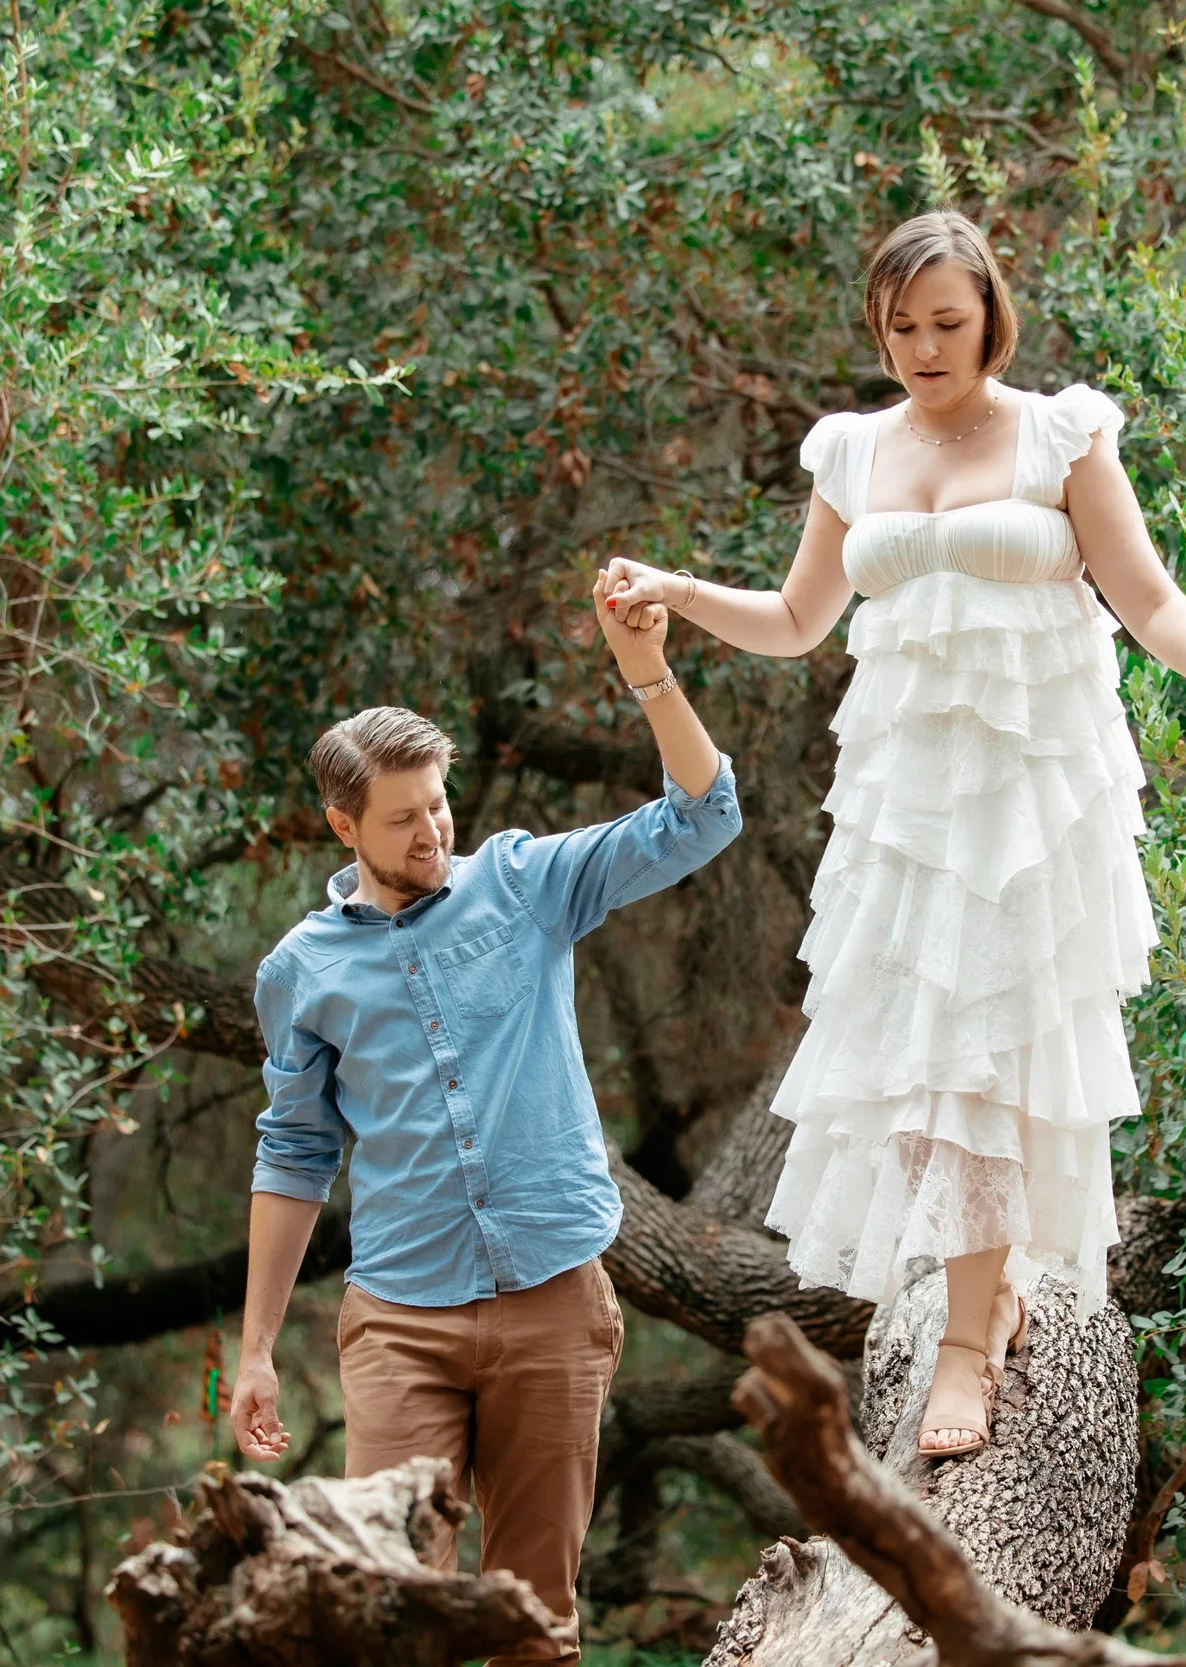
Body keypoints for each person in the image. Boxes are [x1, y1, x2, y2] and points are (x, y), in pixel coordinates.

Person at [598, 210, 1186, 1458]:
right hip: (907, 800)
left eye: (947, 322)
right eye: (900, 326)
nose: (924, 347)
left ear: (990, 314)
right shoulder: (851, 452)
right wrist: (677, 592)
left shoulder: (1060, 432)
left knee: (993, 1047)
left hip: (1030, 792)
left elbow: (1142, 593)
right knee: (930, 1059)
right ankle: (982, 1297)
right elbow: (796, 617)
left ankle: (971, 1346)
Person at [226, 578, 739, 1666]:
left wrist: (645, 669)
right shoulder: (301, 971)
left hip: (553, 1299)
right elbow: (294, 1154)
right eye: (402, 816)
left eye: (438, 804)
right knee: (386, 1607)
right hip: (400, 1318)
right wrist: (257, 1346)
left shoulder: (522, 883)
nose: (430, 830)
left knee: (533, 1619)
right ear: (342, 823)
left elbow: (704, 814)